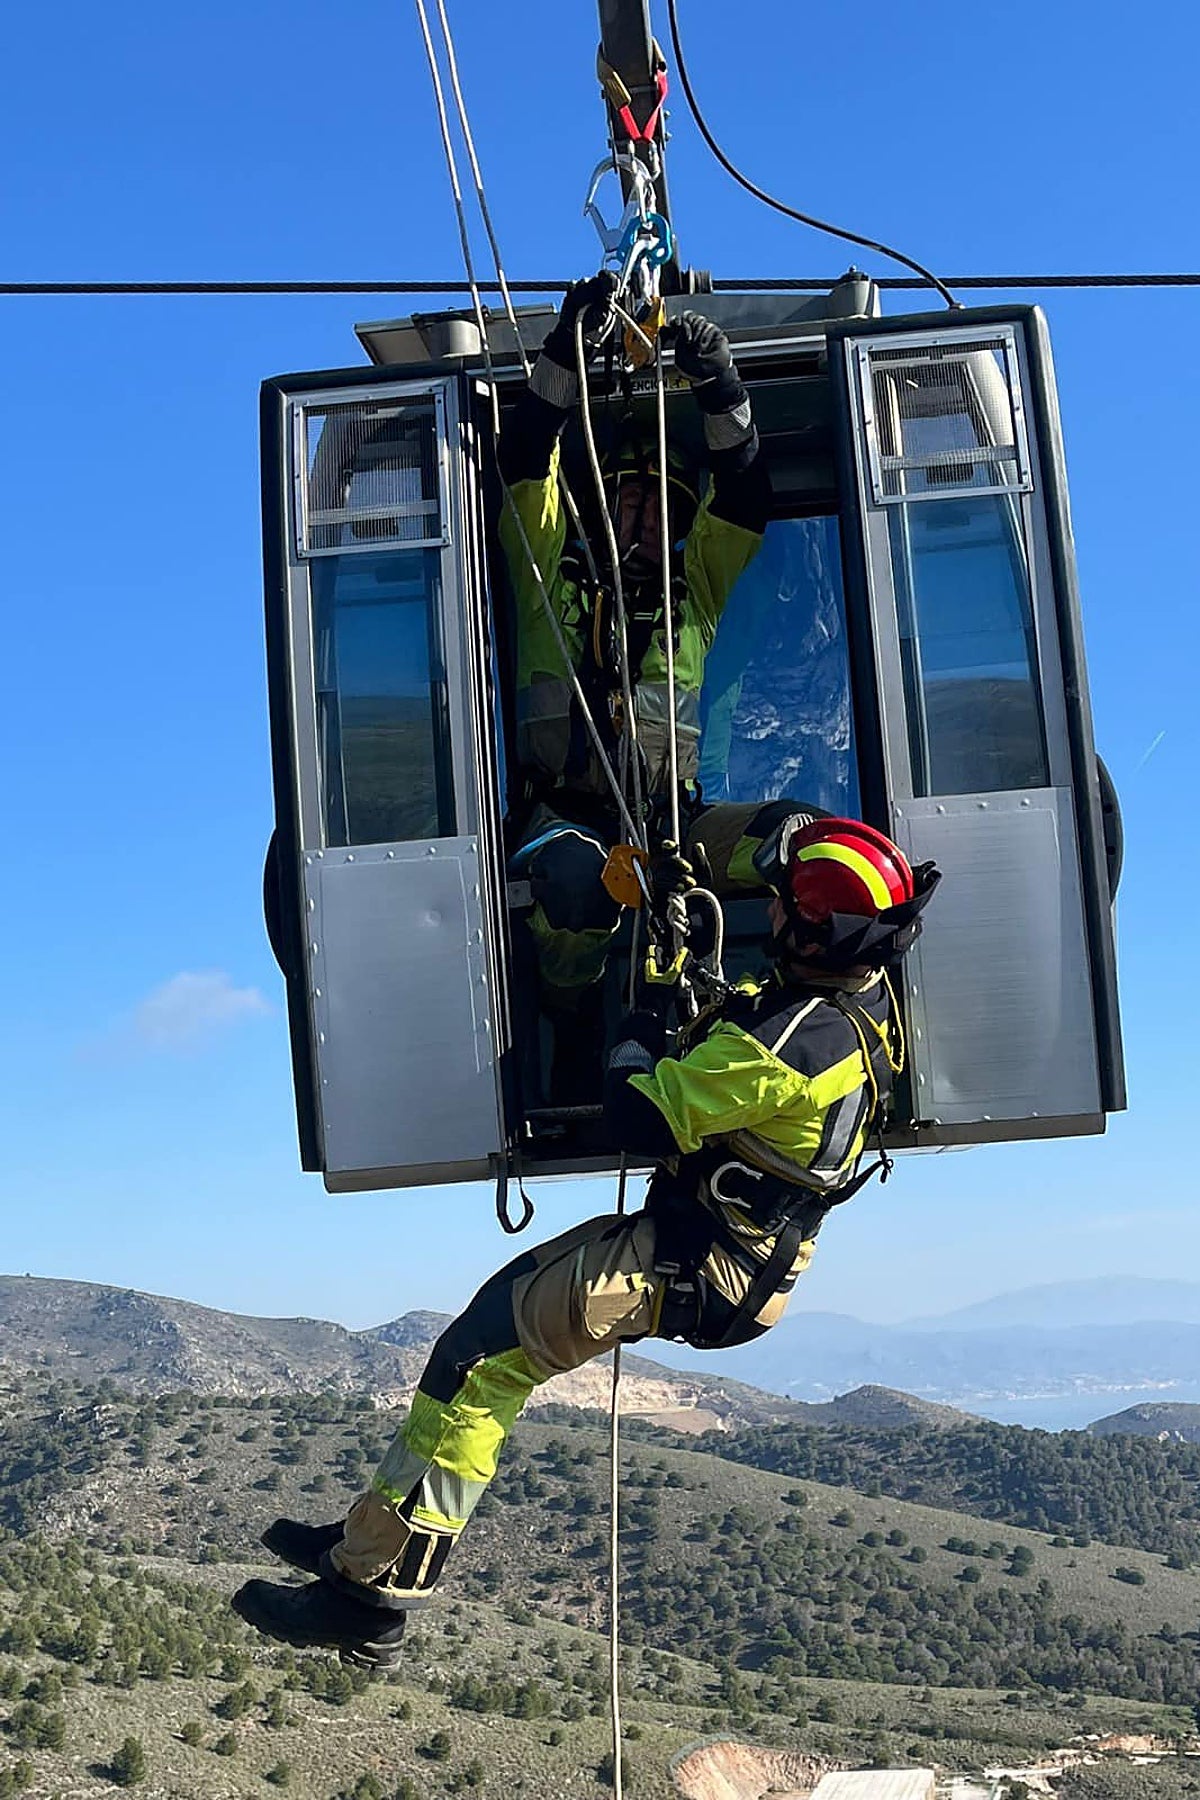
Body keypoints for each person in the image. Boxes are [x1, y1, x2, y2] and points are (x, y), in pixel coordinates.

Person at [231, 815, 939, 1667]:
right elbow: (744, 1049)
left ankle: (369, 1597)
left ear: (811, 925)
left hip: (696, 1264)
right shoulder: (860, 1008)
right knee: (482, 1338)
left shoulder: (794, 1041)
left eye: (785, 900)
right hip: (720, 1255)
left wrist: (637, 1025)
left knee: (479, 1365)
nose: (773, 910)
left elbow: (641, 1113)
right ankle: (367, 1541)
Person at [498, 275, 810, 1095]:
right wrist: (566, 349)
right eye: (630, 502)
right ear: (602, 506)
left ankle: (799, 1026)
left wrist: (721, 384)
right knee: (575, 885)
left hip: (678, 820)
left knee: (802, 839)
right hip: (564, 816)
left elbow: (744, 498)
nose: (645, 522)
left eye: (665, 508)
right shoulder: (548, 573)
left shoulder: (695, 593)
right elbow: (528, 460)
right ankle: (566, 1019)